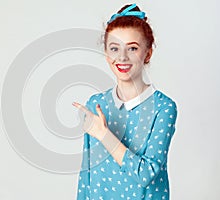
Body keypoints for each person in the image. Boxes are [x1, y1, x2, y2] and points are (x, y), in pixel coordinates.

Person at [72, 3, 178, 200]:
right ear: (106, 53)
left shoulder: (163, 108)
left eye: (132, 48)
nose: (122, 57)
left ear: (148, 53)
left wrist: (104, 134)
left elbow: (145, 174)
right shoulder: (96, 103)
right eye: (114, 48)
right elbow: (86, 177)